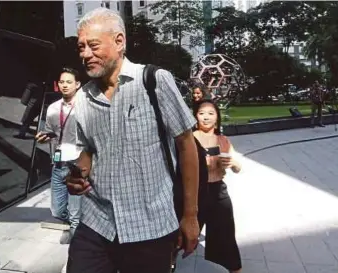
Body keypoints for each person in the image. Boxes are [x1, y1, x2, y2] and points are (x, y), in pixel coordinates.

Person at [65, 8, 200, 273]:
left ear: (119, 42)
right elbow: (89, 150)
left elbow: (186, 145)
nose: (85, 54)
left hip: (150, 226)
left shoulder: (154, 82)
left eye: (93, 45)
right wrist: (76, 176)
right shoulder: (83, 98)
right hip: (97, 222)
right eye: (81, 47)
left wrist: (190, 215)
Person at [192, 99, 242, 273]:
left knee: (226, 237)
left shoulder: (223, 140)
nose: (206, 117)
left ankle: (234, 269)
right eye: (202, 113)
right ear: (195, 116)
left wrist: (232, 162)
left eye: (211, 113)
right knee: (184, 236)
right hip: (195, 193)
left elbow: (238, 168)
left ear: (217, 118)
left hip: (218, 192)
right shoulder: (189, 139)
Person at [35, 68, 82, 243]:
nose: (64, 85)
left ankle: (76, 256)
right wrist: (44, 138)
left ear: (77, 85)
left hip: (76, 165)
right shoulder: (53, 108)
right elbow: (51, 133)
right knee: (57, 210)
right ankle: (81, 227)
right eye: (62, 82)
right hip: (58, 163)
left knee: (76, 216)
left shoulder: (84, 107)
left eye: (69, 82)